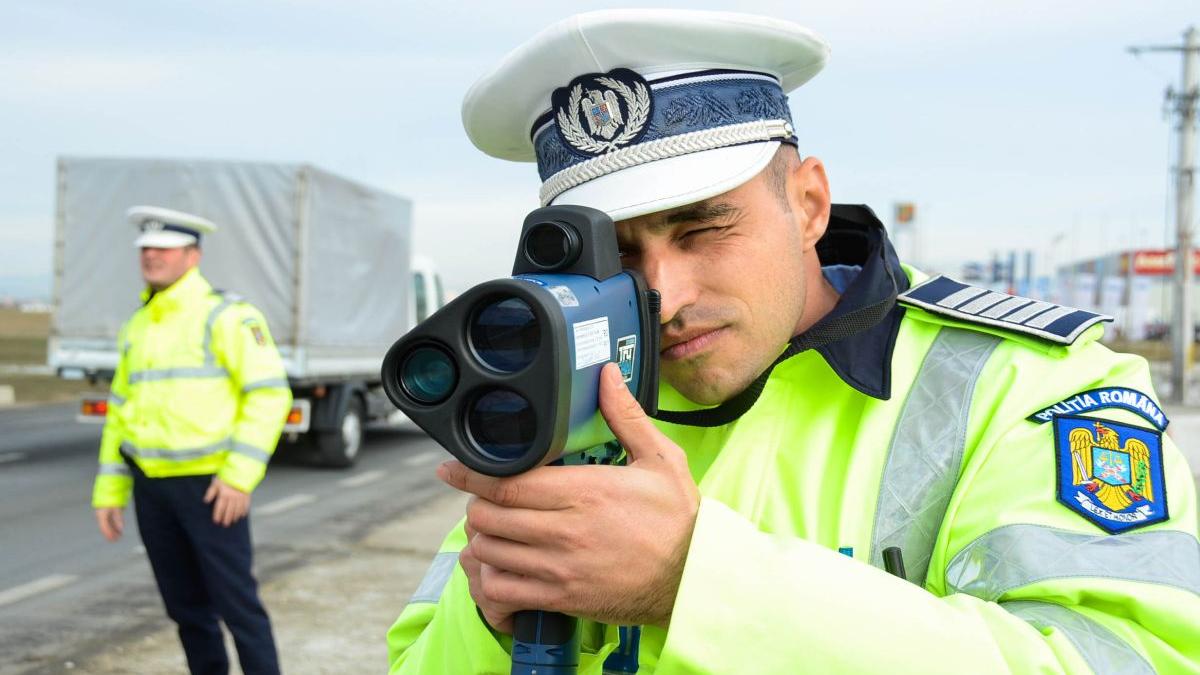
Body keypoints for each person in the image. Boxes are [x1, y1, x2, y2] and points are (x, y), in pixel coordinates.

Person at [388, 10, 1200, 673]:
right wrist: (491, 619)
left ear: (808, 204)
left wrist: (695, 580)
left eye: (704, 228)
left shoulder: (1028, 387)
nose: (665, 296)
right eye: (620, 254)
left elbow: (1128, 658)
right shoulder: (572, 394)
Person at [91, 205, 292, 675]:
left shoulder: (227, 316)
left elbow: (269, 395)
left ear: (193, 255)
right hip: (151, 488)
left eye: (164, 248)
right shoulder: (138, 324)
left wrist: (238, 478)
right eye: (146, 248)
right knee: (185, 610)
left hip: (210, 489)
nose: (152, 256)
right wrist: (109, 492)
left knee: (238, 607)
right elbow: (121, 413)